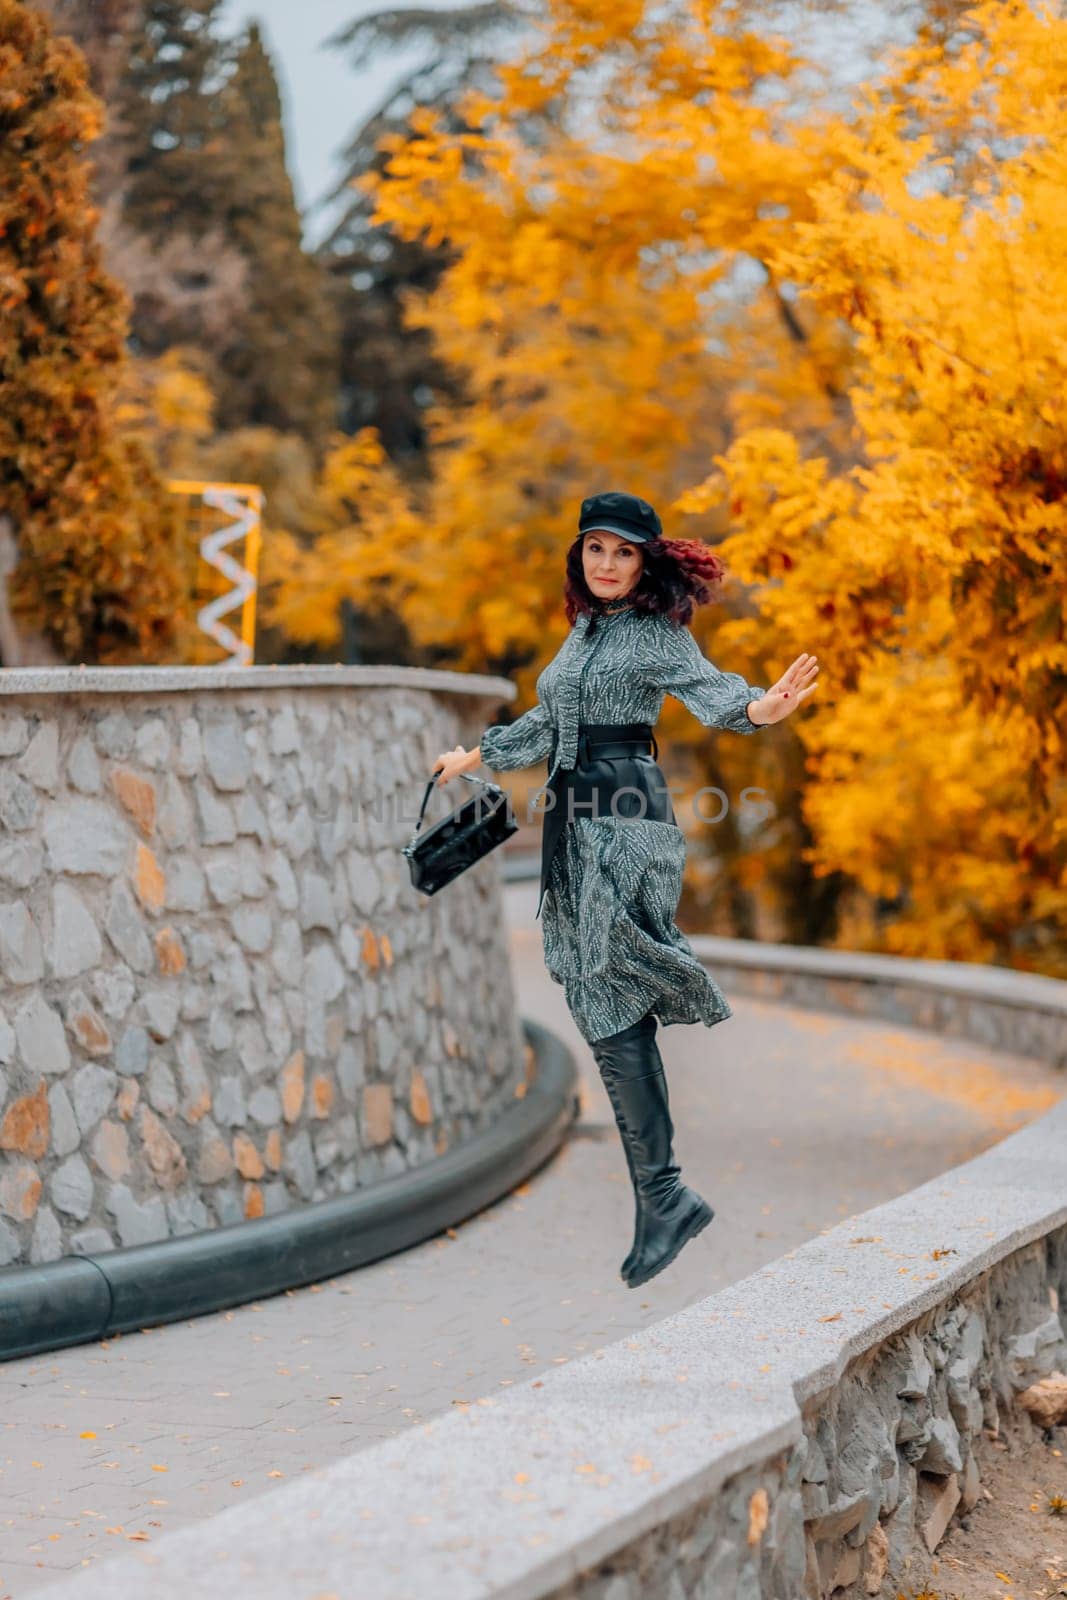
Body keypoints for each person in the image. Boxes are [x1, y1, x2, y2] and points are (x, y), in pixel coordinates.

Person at [432, 491, 818, 1288]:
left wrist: (759, 707)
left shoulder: (650, 635)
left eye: (623, 552)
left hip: (623, 818)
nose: (606, 564)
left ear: (645, 564)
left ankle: (664, 1193)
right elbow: (550, 725)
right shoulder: (583, 633)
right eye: (595, 549)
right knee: (593, 992)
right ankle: (662, 1196)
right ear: (579, 555)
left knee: (605, 992)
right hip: (578, 817)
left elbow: (710, 691)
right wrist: (477, 755)